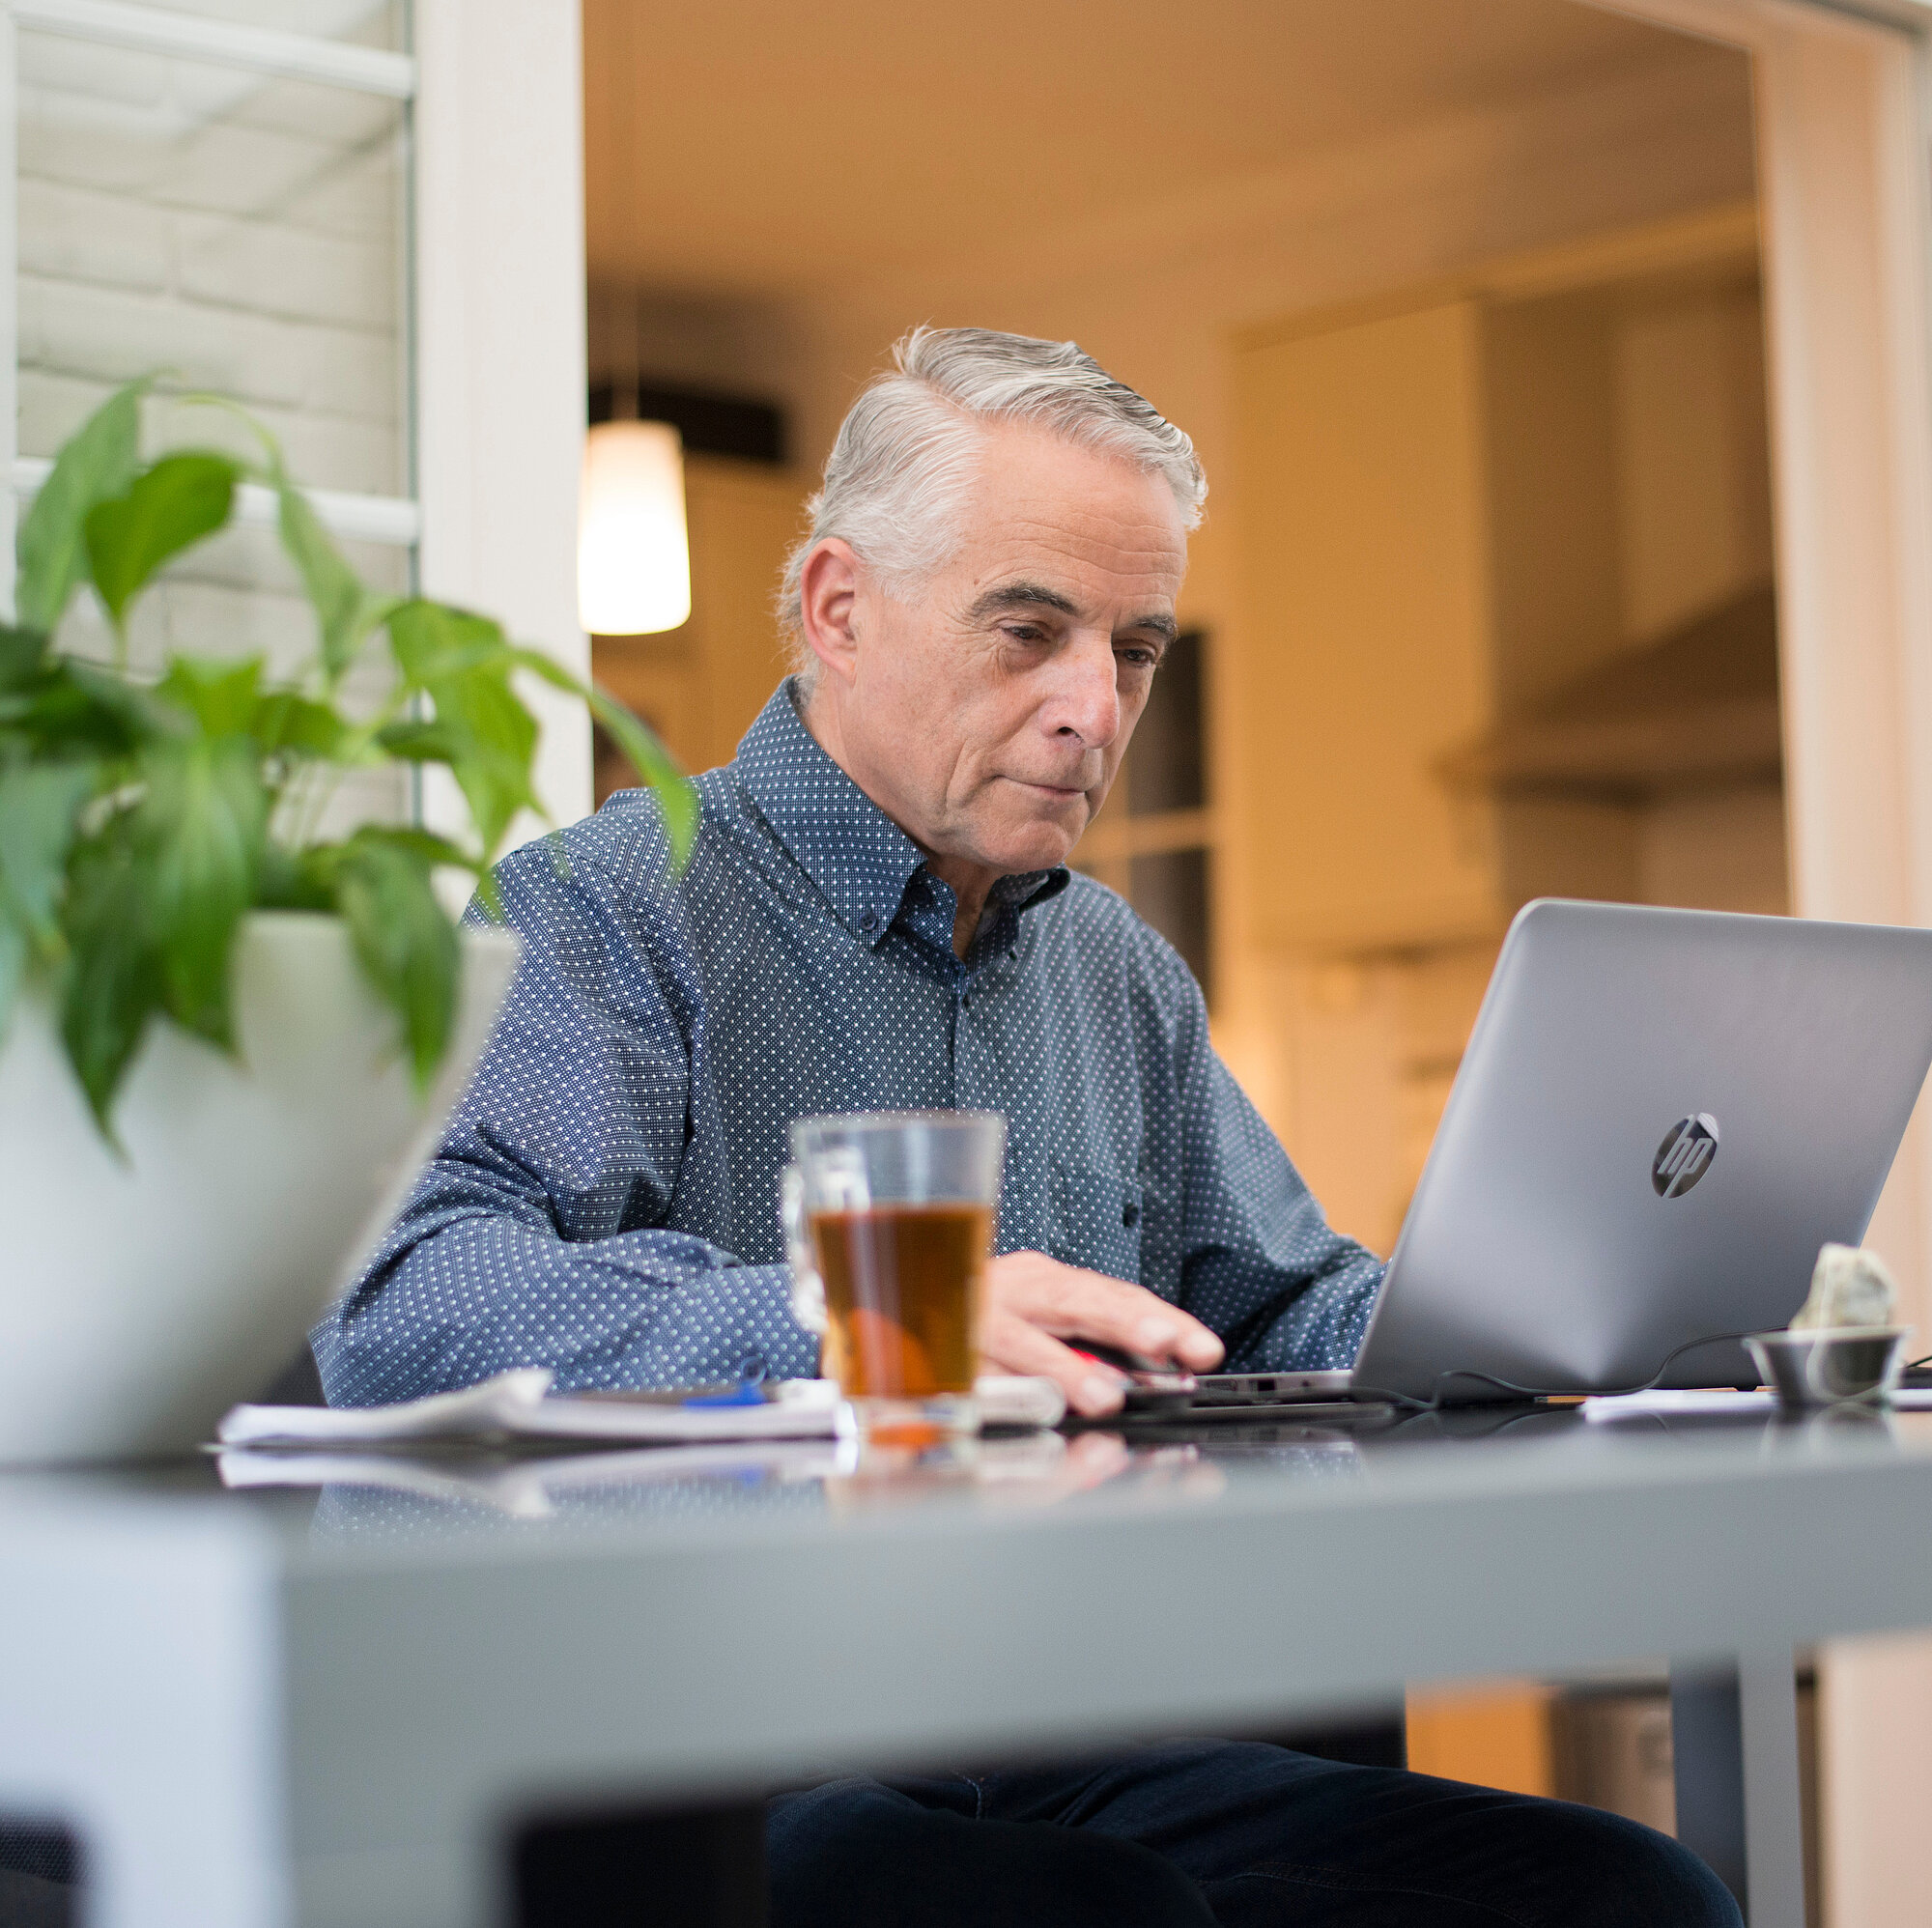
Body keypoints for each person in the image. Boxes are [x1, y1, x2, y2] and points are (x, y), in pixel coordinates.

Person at [313, 327, 1739, 1926]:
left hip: (1044, 1722)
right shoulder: (608, 908)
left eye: (1135, 649)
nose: (1093, 708)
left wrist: (1554, 1316)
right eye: (1028, 631)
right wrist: (876, 1324)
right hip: (679, 1741)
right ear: (838, 610)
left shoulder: (1114, 972)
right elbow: (411, 1297)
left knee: (1626, 1894)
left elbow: (1271, 1303)